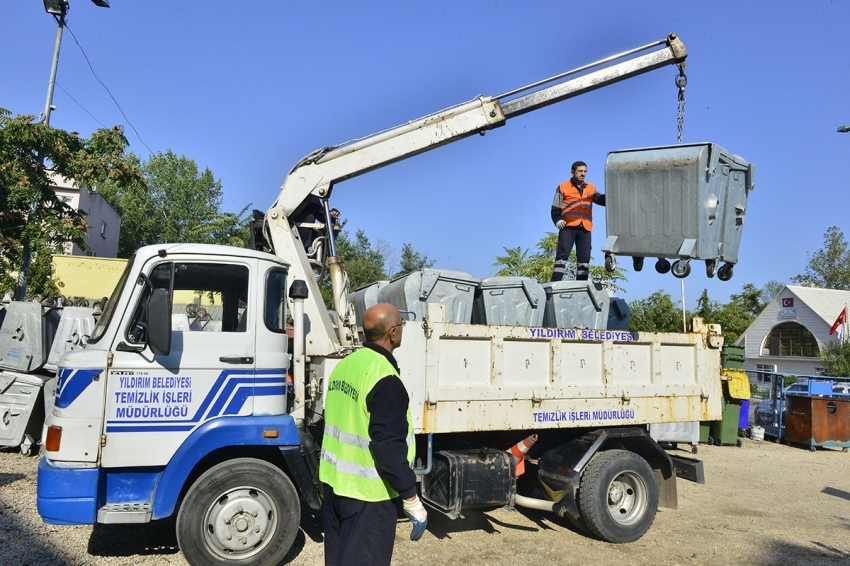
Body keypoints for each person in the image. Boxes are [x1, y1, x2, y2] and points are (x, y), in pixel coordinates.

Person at [319, 303, 427, 566]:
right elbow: (387, 447)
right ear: (392, 333)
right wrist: (412, 500)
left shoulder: (346, 365)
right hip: (370, 495)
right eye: (400, 325)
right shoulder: (385, 378)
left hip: (335, 485)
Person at [550, 160, 605, 281]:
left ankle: (581, 286)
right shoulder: (563, 187)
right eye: (580, 171)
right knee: (562, 256)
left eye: (585, 171)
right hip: (568, 227)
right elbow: (555, 208)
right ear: (572, 172)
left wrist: (615, 195)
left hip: (585, 227)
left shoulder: (591, 188)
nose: (583, 174)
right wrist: (558, 220)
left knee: (584, 260)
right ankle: (555, 284)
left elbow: (602, 200)